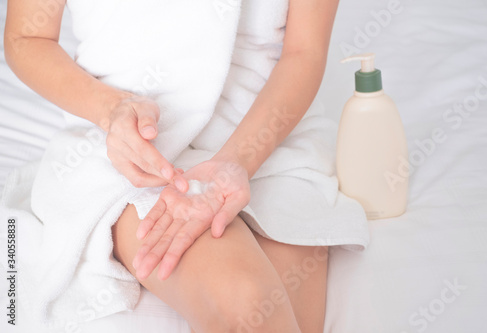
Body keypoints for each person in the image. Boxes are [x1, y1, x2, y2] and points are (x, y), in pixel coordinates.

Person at [5, 0, 344, 332]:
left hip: (269, 140)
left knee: (282, 317)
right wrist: (113, 109)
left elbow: (304, 52)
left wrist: (237, 160)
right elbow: (27, 38)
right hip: (134, 147)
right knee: (248, 303)